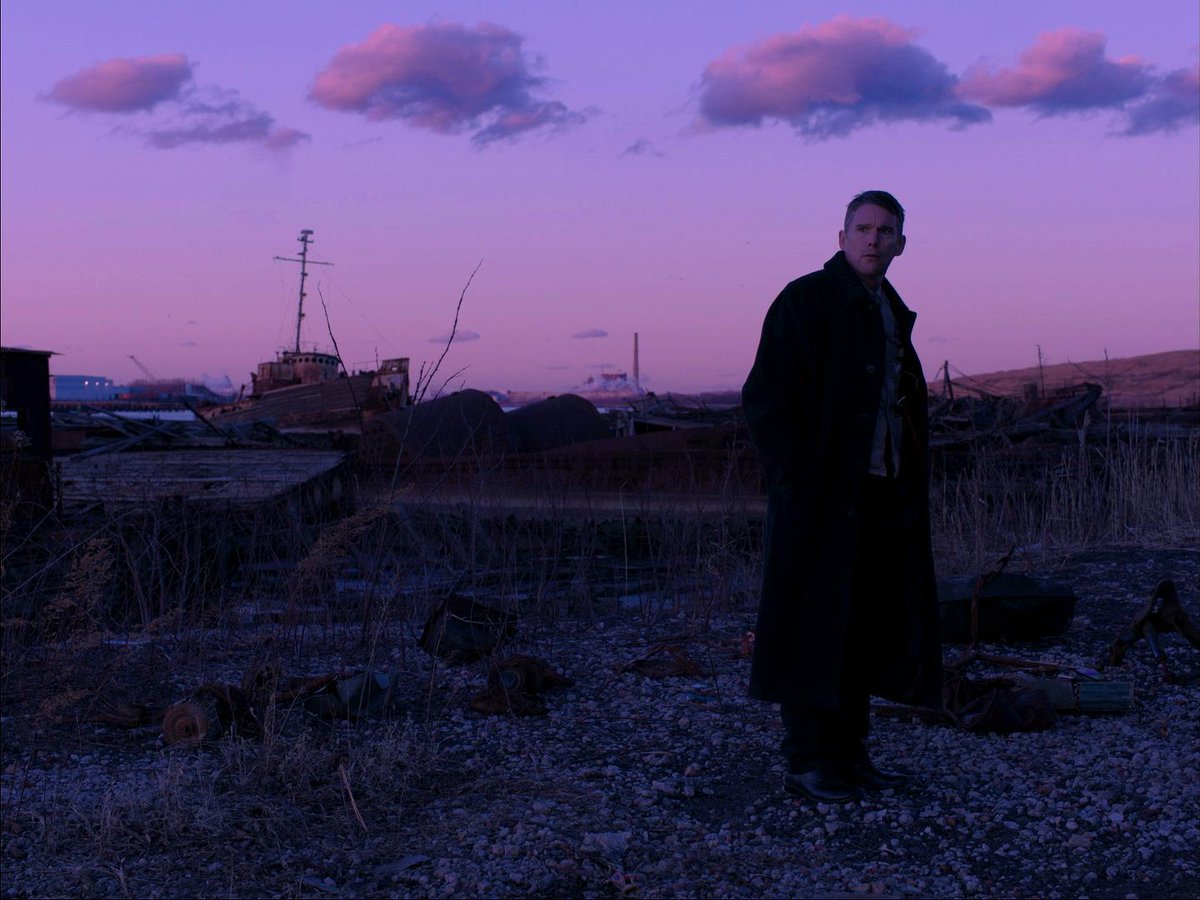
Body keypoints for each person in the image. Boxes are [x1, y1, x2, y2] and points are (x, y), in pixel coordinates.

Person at [741, 190, 943, 803]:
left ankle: (851, 756)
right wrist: (796, 479)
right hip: (820, 499)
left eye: (885, 230)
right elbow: (765, 397)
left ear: (901, 243)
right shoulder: (806, 300)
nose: (872, 239)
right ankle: (807, 762)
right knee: (812, 623)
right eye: (862, 228)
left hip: (880, 494)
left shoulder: (889, 310)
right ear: (842, 237)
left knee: (862, 625)